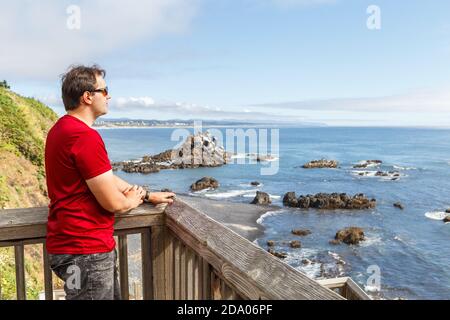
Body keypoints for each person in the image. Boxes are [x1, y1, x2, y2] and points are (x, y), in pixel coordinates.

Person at [44, 65, 175, 300]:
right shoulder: (84, 137)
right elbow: (113, 203)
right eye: (104, 91)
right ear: (87, 97)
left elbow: (104, 178)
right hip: (86, 252)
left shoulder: (60, 130)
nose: (109, 96)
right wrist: (131, 201)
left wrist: (146, 195)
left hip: (70, 247)